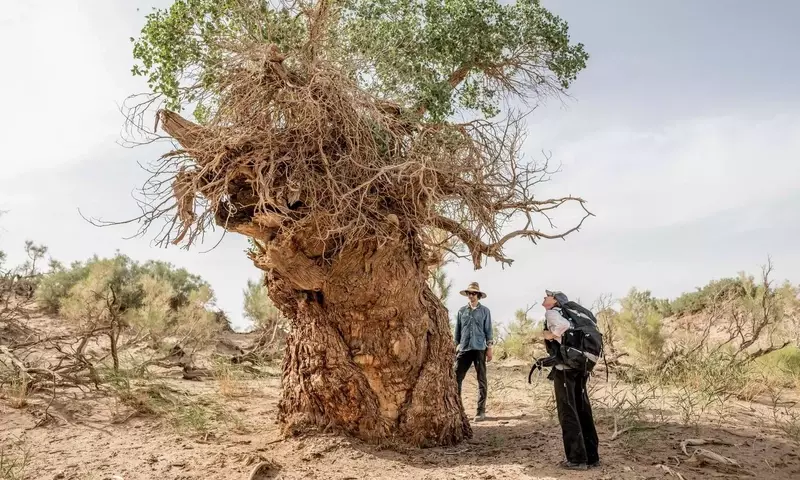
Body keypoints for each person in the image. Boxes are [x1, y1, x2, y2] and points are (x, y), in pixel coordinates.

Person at [541, 289, 600, 471]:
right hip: (581, 367)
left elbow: (562, 327)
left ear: (556, 301)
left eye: (548, 295)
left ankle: (576, 459)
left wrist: (548, 335)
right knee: (583, 409)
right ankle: (591, 456)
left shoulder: (552, 313)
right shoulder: (577, 316)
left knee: (568, 412)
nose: (545, 296)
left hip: (565, 369)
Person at [454, 281, 493, 422]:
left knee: (481, 379)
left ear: (478, 295)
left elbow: (488, 330)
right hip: (464, 347)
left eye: (474, 293)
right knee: (456, 377)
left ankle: (480, 410)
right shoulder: (461, 311)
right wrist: (455, 346)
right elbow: (457, 331)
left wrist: (489, 348)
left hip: (479, 348)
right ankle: (457, 409)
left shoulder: (485, 311)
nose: (471, 295)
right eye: (469, 293)